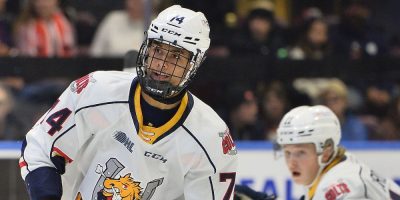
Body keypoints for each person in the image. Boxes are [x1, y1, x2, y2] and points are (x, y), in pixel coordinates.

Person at [20, 5, 237, 200]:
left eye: (176, 57)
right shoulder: (95, 90)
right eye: (158, 50)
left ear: (195, 63)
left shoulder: (211, 137)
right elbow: (40, 148)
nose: (161, 64)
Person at [275, 105, 400, 200]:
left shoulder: (342, 186)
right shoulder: (339, 163)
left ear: (327, 150)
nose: (291, 164)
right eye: (287, 153)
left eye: (300, 153)